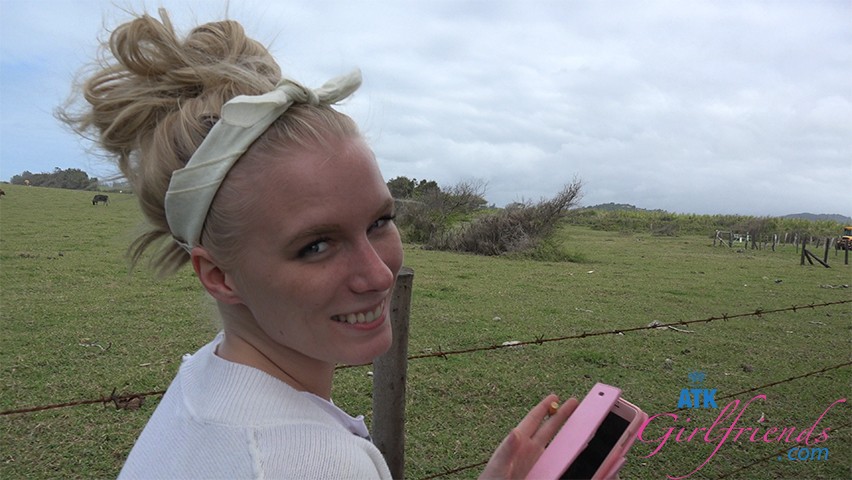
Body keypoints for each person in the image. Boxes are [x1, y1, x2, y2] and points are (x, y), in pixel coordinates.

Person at [61, 9, 577, 479]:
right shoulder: (313, 463)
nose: (379, 276)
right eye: (315, 246)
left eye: (380, 221)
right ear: (217, 275)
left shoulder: (205, 382)